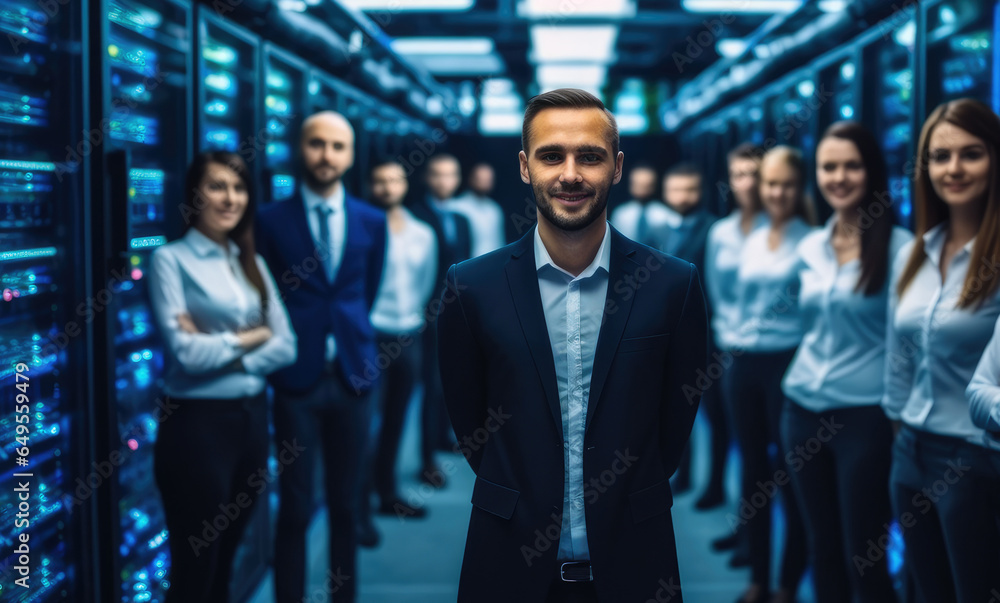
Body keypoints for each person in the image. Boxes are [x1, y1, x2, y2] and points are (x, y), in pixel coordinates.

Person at [438, 88, 708, 602]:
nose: (570, 174)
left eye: (590, 156)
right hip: (507, 557)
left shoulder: (671, 284)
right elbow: (472, 428)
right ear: (524, 166)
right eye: (550, 155)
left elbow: (672, 429)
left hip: (635, 559)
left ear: (618, 166)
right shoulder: (471, 286)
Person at [148, 151, 296, 603]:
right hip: (196, 428)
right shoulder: (169, 261)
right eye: (216, 187)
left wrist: (227, 345)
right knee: (196, 566)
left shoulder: (249, 259)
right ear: (194, 195)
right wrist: (252, 338)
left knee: (228, 557)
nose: (229, 198)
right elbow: (187, 354)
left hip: (250, 421)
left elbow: (287, 345)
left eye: (238, 187)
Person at [255, 111, 387, 603]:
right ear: (300, 149)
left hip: (354, 375)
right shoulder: (269, 219)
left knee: (347, 504)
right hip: (296, 378)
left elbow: (363, 293)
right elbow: (263, 295)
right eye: (316, 144)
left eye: (337, 146)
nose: (326, 155)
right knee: (294, 507)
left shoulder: (371, 220)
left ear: (350, 155)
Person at [780, 121, 910, 603]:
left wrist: (897, 417)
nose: (839, 177)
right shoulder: (810, 246)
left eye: (851, 166)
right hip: (801, 410)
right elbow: (805, 326)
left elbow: (905, 345)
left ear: (872, 172)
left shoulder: (901, 250)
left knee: (865, 557)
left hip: (865, 418)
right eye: (829, 167)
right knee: (822, 550)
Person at [884, 98, 1000, 603]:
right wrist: (898, 425)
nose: (953, 169)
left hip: (976, 459)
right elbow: (898, 356)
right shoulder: (915, 251)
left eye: (970, 154)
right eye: (939, 156)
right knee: (925, 592)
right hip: (909, 450)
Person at [729, 145, 813, 603]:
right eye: (770, 183)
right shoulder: (755, 236)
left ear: (800, 188)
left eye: (786, 184)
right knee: (753, 477)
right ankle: (758, 580)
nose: (777, 192)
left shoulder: (813, 239)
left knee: (793, 476)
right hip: (745, 366)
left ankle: (786, 585)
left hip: (789, 363)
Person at [360, 158, 437, 544]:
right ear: (372, 185)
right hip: (370, 335)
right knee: (363, 425)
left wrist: (412, 318)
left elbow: (426, 284)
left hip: (409, 335)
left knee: (395, 420)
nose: (388, 186)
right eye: (380, 180)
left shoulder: (423, 233)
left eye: (394, 180)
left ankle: (387, 493)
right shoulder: (359, 226)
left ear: (404, 185)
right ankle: (358, 509)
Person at [704, 143, 768, 558]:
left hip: (773, 354)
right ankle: (744, 527)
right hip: (727, 350)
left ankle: (756, 539)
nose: (748, 182)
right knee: (739, 444)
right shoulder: (721, 232)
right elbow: (715, 291)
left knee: (764, 454)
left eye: (756, 174)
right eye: (740, 174)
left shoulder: (780, 228)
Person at [655, 162, 720, 504]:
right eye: (677, 189)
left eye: (690, 189)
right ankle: (682, 473)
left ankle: (715, 485)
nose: (683, 196)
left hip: (705, 333)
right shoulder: (661, 229)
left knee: (710, 413)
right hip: (666, 331)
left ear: (702, 192)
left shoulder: (714, 230)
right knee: (675, 407)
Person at [408, 153, 472, 487]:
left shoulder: (462, 220)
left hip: (458, 311)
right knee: (430, 386)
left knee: (453, 380)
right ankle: (426, 460)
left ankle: (443, 436)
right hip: (428, 313)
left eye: (451, 174)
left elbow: (467, 268)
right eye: (438, 174)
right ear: (427, 178)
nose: (444, 180)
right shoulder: (415, 216)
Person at [450, 162, 507, 257]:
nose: (485, 183)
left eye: (488, 179)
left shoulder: (494, 209)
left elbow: (499, 241)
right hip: (466, 264)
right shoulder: (457, 207)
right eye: (481, 179)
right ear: (471, 179)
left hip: (494, 264)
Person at [608, 163, 667, 248]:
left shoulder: (664, 214)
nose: (642, 188)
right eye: (638, 184)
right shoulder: (621, 213)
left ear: (654, 185)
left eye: (646, 184)